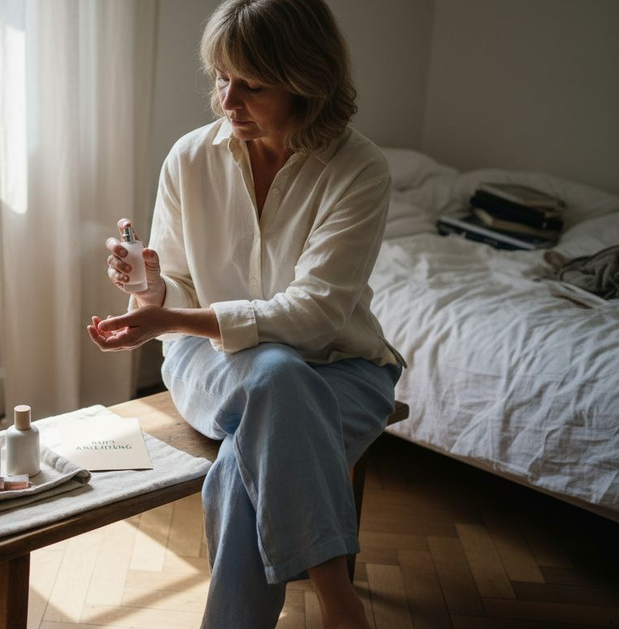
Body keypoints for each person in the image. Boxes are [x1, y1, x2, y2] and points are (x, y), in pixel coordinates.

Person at [86, 0, 405, 627]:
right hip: (212, 364)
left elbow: (314, 316)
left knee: (244, 459)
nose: (228, 100)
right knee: (276, 374)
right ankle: (340, 602)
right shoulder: (189, 158)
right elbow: (170, 285)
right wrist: (149, 289)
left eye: (252, 84)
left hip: (343, 368)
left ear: (307, 82)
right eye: (221, 77)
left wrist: (169, 318)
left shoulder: (358, 168)